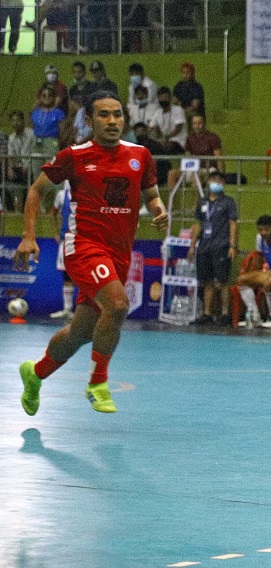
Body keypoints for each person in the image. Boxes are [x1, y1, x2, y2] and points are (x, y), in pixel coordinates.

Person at [15, 91, 167, 415]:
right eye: (103, 115)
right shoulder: (75, 155)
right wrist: (29, 236)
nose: (112, 121)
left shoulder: (140, 154)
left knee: (80, 333)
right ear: (89, 119)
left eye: (117, 114)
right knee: (118, 304)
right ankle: (98, 382)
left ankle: (35, 373)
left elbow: (151, 193)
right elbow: (36, 189)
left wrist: (158, 209)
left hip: (120, 253)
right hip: (84, 246)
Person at [187, 169, 238, 325]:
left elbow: (232, 223)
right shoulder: (203, 202)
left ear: (223, 183)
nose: (216, 182)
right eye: (213, 179)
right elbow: (198, 224)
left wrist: (232, 244)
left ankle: (224, 314)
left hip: (221, 245)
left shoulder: (228, 202)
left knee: (221, 281)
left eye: (219, 180)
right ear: (208, 182)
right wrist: (192, 245)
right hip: (204, 246)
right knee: (207, 281)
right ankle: (207, 314)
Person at [234, 215, 271, 329]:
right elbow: (259, 261)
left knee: (268, 282)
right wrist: (257, 275)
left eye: (266, 230)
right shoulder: (259, 239)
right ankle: (255, 316)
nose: (263, 233)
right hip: (269, 273)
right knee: (241, 280)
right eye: (260, 230)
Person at [166, 114, 223, 189]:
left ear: (204, 123)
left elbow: (219, 158)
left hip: (209, 169)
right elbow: (187, 155)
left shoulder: (212, 137)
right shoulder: (190, 138)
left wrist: (222, 174)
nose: (197, 126)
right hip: (194, 167)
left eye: (199, 123)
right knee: (172, 174)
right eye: (194, 124)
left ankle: (197, 200)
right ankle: (172, 200)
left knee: (196, 175)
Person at [48, 183, 77, 319]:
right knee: (67, 275)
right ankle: (67, 309)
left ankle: (88, 312)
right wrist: (55, 232)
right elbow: (53, 213)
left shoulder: (87, 191)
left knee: (88, 275)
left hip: (84, 240)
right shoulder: (61, 195)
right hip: (66, 240)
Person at [5, 110, 35, 211]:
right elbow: (11, 156)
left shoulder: (31, 134)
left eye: (18, 120)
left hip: (31, 166)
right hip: (18, 167)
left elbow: (34, 152)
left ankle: (27, 208)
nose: (16, 123)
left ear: (23, 121)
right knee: (7, 185)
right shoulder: (11, 138)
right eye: (13, 121)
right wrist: (10, 168)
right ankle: (13, 210)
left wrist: (27, 165)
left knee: (29, 179)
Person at [149, 86, 187, 154]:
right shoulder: (158, 112)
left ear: (170, 98)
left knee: (167, 148)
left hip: (178, 142)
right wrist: (158, 137)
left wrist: (166, 137)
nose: (163, 100)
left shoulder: (178, 110)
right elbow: (152, 127)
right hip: (163, 142)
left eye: (165, 97)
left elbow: (178, 129)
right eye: (161, 98)